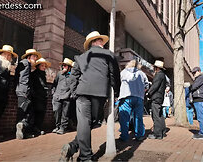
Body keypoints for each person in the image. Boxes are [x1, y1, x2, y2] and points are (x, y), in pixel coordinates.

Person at [59, 31, 121, 161]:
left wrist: (75, 92)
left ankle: (75, 147)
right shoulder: (109, 55)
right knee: (92, 122)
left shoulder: (81, 57)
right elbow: (115, 75)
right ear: (95, 42)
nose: (103, 44)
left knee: (84, 124)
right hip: (99, 94)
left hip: (82, 93)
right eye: (101, 41)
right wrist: (116, 92)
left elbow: (73, 77)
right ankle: (85, 156)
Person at [118, 59, 149, 142]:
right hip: (139, 97)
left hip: (126, 96)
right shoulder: (142, 74)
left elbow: (118, 83)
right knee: (138, 117)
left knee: (124, 117)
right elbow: (147, 85)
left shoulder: (123, 72)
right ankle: (139, 135)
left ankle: (124, 136)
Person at [15, 49, 41, 139]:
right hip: (24, 91)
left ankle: (21, 131)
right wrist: (26, 91)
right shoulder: (26, 63)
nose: (36, 59)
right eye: (34, 56)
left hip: (21, 91)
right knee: (26, 112)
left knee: (24, 112)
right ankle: (22, 128)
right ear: (29, 56)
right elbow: (23, 79)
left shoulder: (24, 63)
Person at [52, 58, 74, 135]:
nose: (63, 67)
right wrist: (53, 93)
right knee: (56, 111)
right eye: (63, 65)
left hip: (66, 97)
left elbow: (74, 86)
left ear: (69, 67)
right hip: (57, 96)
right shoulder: (59, 74)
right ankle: (57, 126)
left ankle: (63, 128)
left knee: (65, 114)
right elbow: (54, 84)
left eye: (65, 65)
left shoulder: (72, 76)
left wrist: (71, 94)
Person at [30, 58, 51, 136]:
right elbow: (32, 86)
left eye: (45, 66)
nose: (44, 67)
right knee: (35, 113)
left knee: (41, 113)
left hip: (43, 97)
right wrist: (34, 95)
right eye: (42, 65)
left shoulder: (43, 75)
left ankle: (38, 128)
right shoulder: (33, 74)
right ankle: (33, 129)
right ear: (38, 66)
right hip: (36, 98)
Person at [147, 60, 167, 140]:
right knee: (160, 115)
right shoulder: (163, 75)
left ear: (157, 68)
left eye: (154, 67)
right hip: (159, 97)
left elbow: (155, 86)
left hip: (156, 97)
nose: (153, 68)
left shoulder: (159, 75)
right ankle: (163, 131)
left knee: (156, 116)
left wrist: (148, 93)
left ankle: (157, 134)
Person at [190, 67, 203, 139]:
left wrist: (190, 87)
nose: (193, 74)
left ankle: (202, 134)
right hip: (198, 99)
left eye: (195, 72)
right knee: (200, 117)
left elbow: (193, 87)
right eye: (193, 72)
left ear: (199, 71)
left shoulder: (201, 77)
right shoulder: (200, 78)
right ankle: (201, 132)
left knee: (200, 117)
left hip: (199, 99)